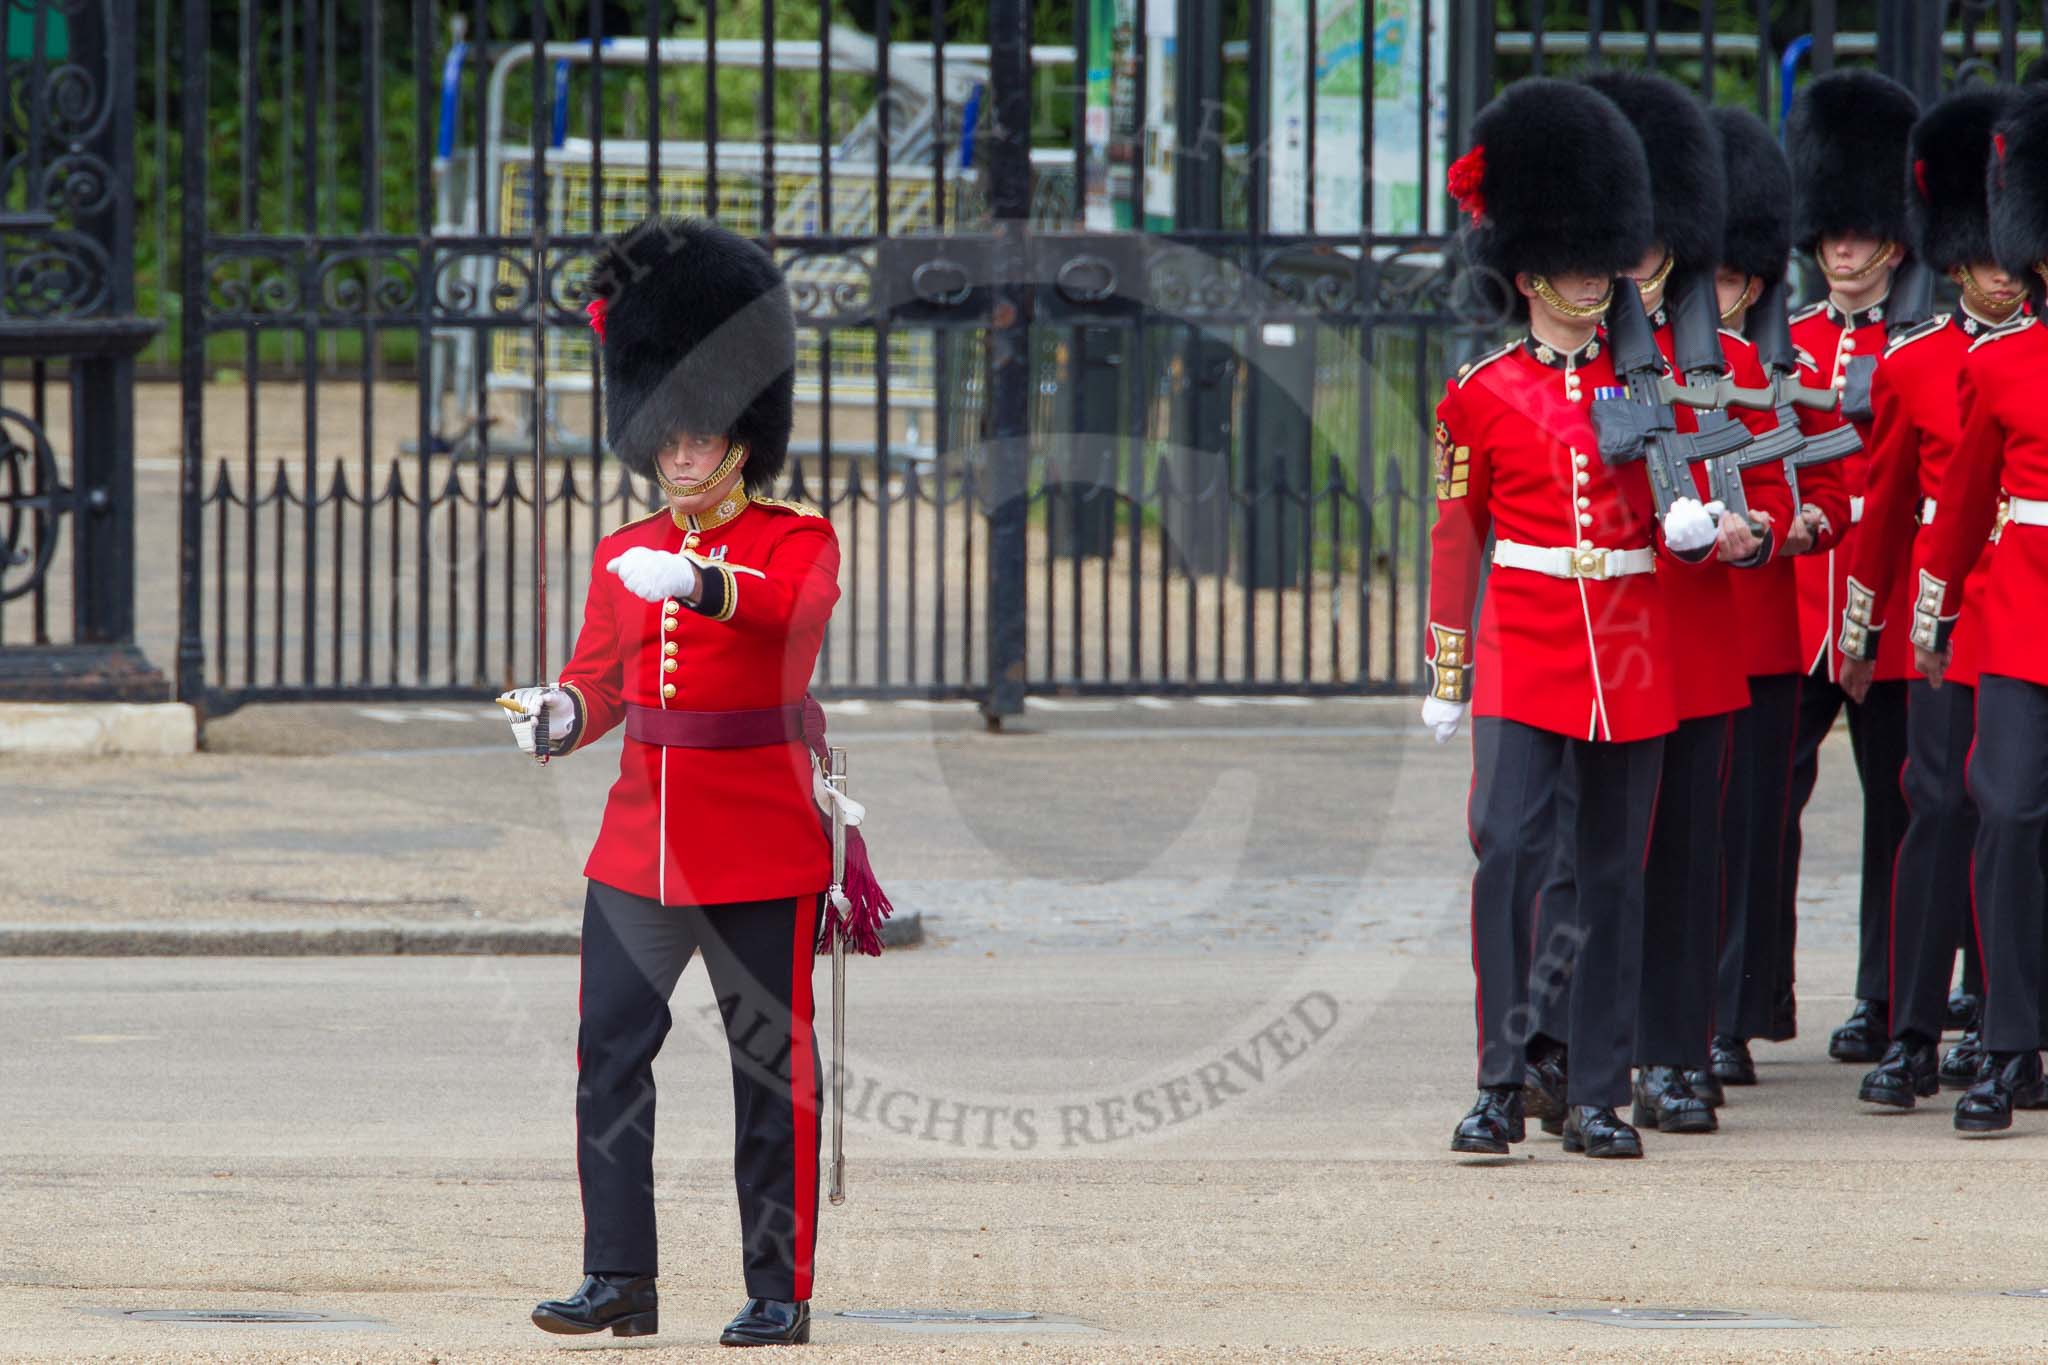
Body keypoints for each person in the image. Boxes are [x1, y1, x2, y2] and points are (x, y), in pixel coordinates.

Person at [502, 217, 839, 1345]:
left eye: (702, 439)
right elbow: (599, 682)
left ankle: (779, 1289)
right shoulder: (621, 552)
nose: (683, 456)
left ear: (745, 438)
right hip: (638, 847)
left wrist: (699, 585)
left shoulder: (796, 541)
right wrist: (560, 716)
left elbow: (789, 618)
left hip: (760, 843)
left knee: (768, 1074)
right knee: (607, 1057)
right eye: (668, 441)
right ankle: (619, 1276)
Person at [1430, 78, 1727, 1160]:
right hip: (1521, 639)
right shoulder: (1480, 390)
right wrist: (1443, 663)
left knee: (1610, 870)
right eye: (1572, 262)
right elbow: (1455, 533)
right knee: (1505, 853)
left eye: (1603, 260)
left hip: (1631, 643)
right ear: (1525, 272)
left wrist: (1698, 526)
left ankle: (1598, 1088)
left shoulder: (1651, 380)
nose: (1593, 280)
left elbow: (1694, 504)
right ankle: (1499, 1082)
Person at [1520, 71, 1784, 1139]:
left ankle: (1673, 1050)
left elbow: (1760, 481)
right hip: (1598, 634)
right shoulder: (1564, 359)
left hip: (1695, 630)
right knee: (1572, 853)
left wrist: (1752, 527)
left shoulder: (1708, 359)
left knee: (1683, 847)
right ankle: (1561, 1043)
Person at [1841, 89, 2021, 1108]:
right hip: (1943, 617)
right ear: (1954, 257)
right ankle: (1912, 1026)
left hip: (2025, 607)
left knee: (2014, 818)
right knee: (1938, 808)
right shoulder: (1910, 365)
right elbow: (1882, 509)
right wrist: (1863, 628)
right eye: (1984, 252)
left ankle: (2002, 1026)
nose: (2001, 270)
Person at [1777, 70, 1921, 1071]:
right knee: (1755, 811)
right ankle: (1743, 994)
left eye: (1860, 231)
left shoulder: (1924, 348)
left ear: (1894, 238)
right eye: (1831, 231)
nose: (1842, 247)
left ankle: (1883, 998)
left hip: (1897, 601)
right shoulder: (1781, 345)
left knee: (1900, 814)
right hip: (1794, 610)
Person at [1915, 87, 2048, 1133]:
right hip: (2017, 618)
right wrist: (1927, 612)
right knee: (2001, 812)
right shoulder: (1996, 364)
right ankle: (2008, 1042)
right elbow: (1959, 506)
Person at [1710, 104, 1830, 1097]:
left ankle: (1737, 1012)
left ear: (1747, 282)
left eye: (1720, 274)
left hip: (1756, 634)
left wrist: (1804, 526)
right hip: (1665, 638)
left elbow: (1825, 489)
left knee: (1753, 827)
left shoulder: (1777, 371)